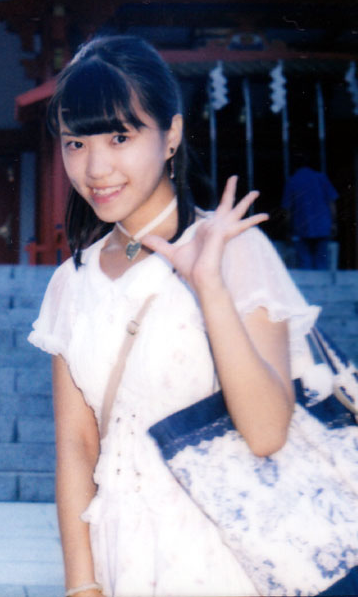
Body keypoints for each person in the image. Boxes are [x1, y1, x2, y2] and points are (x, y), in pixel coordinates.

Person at [28, 35, 318, 597]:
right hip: (122, 551)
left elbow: (266, 433)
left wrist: (208, 286)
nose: (96, 167)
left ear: (172, 136)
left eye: (120, 137)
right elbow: (77, 447)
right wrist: (82, 586)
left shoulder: (234, 251)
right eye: (75, 143)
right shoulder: (71, 283)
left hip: (225, 552)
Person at [281, 159, 339, 270]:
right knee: (322, 261)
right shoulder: (321, 178)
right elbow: (332, 204)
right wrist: (333, 223)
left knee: (304, 262)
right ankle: (322, 281)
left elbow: (287, 210)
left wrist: (288, 230)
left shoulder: (292, 181)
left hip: (301, 227)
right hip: (323, 226)